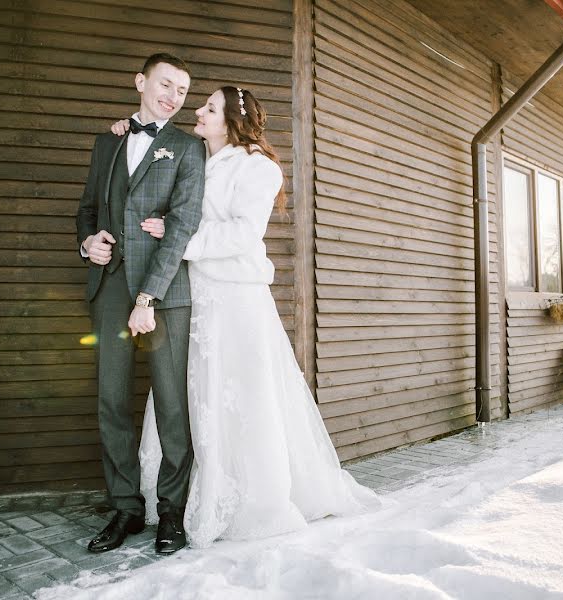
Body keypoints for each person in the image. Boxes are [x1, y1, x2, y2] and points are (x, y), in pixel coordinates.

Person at [110, 86, 380, 549]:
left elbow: (242, 233)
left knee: (241, 394)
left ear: (232, 120)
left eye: (210, 108)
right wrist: (123, 128)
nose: (199, 111)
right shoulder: (195, 154)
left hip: (236, 297)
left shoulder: (259, 168)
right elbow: (154, 142)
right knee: (188, 392)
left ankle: (254, 498)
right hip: (193, 294)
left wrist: (178, 240)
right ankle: (187, 493)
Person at [76, 53, 206, 555]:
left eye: (182, 91)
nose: (173, 97)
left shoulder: (188, 148)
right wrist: (89, 243)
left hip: (166, 295)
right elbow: (87, 209)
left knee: (172, 404)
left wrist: (148, 295)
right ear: (140, 82)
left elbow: (183, 227)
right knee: (111, 400)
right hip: (110, 288)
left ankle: (170, 510)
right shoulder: (107, 141)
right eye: (166, 85)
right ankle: (126, 508)